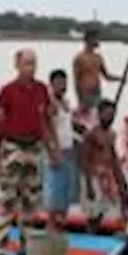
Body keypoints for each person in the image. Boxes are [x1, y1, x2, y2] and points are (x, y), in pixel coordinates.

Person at [0, 49, 57, 255]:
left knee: (31, 200)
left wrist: (52, 150)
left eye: (34, 63)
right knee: (7, 198)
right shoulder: (7, 91)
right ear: (17, 65)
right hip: (13, 146)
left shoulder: (41, 90)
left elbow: (45, 122)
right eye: (27, 63)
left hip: (34, 147)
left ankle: (26, 245)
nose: (31, 67)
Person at [79, 99, 126, 232]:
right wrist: (88, 184)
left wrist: (120, 181)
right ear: (99, 114)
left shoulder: (112, 134)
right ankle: (89, 235)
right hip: (94, 175)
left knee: (105, 211)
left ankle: (97, 234)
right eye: (107, 114)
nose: (110, 117)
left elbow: (114, 158)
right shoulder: (91, 134)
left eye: (112, 114)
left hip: (107, 175)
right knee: (93, 212)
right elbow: (84, 159)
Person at [43, 69, 78, 233]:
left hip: (68, 148)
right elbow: (47, 127)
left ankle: (61, 223)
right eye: (58, 83)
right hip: (56, 150)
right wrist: (52, 150)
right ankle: (50, 225)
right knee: (54, 190)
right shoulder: (50, 103)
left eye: (64, 83)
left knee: (65, 189)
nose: (62, 86)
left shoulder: (66, 102)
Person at [71, 28, 123, 125]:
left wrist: (120, 79)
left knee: (97, 117)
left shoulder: (98, 57)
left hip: (97, 92)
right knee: (87, 118)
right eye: (95, 39)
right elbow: (76, 80)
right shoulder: (79, 58)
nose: (98, 41)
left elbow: (106, 76)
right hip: (85, 93)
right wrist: (80, 98)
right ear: (88, 40)